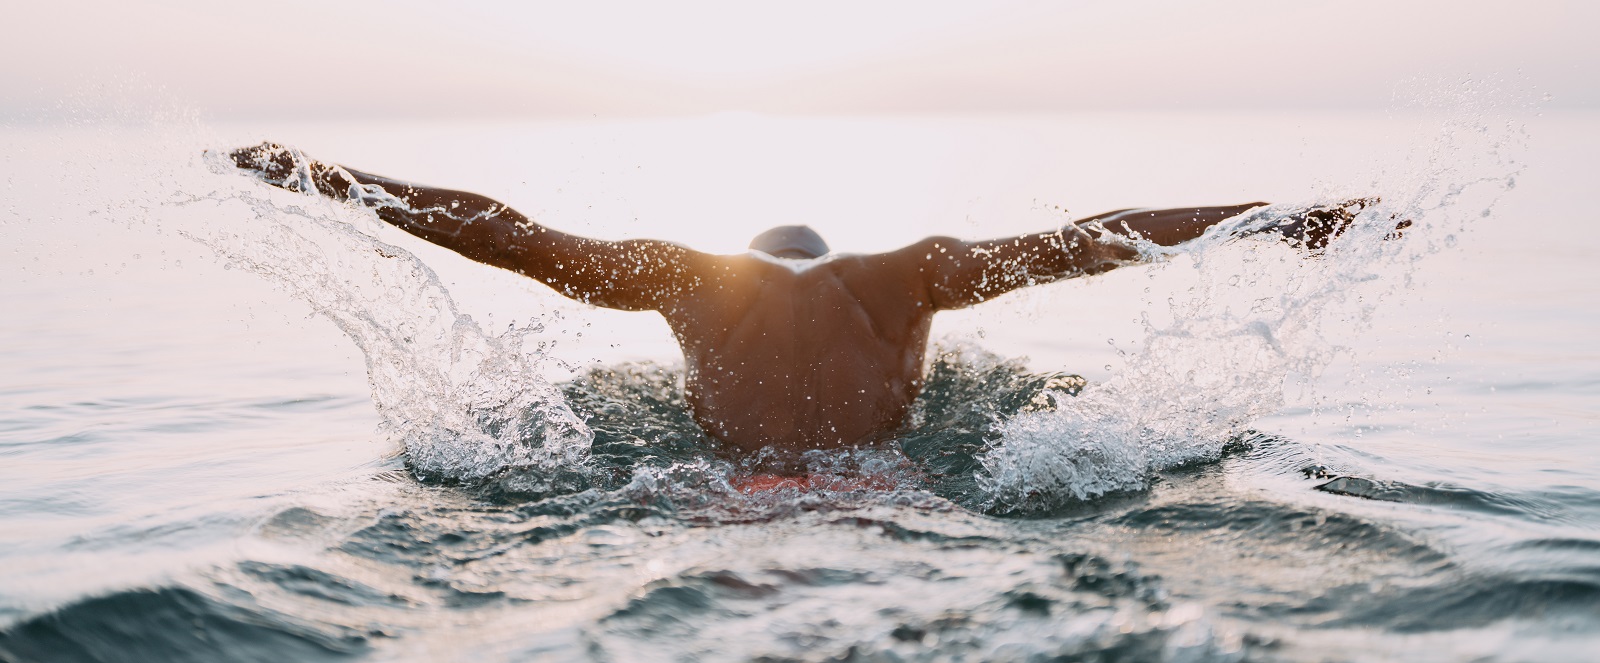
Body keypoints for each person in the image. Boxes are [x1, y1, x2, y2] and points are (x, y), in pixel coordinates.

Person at [224, 143, 1365, 455]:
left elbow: (510, 239)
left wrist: (336, 184)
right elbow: (1094, 243)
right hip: (889, 495)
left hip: (728, 492)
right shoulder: (910, 276)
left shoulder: (690, 283)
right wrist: (1273, 219)